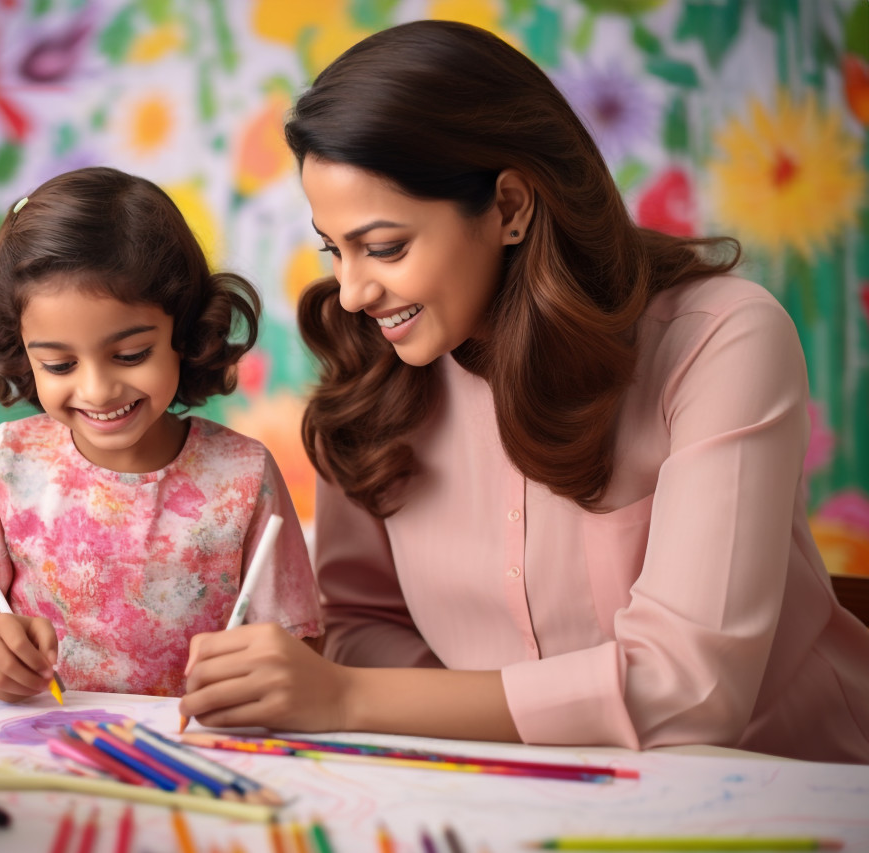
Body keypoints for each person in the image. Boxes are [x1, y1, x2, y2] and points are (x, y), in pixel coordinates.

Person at [179, 20, 869, 763]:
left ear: (509, 207)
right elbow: (363, 621)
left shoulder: (719, 340)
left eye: (383, 247)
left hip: (778, 785)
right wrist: (478, 744)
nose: (351, 293)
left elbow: (691, 690)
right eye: (333, 249)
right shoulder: (371, 369)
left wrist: (348, 698)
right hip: (504, 795)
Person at [0, 166, 322, 700]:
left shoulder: (244, 475)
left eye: (131, 354)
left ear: (185, 331)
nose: (97, 391)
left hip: (188, 746)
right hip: (37, 742)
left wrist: (260, 675)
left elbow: (303, 653)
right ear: (23, 352)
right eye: (59, 365)